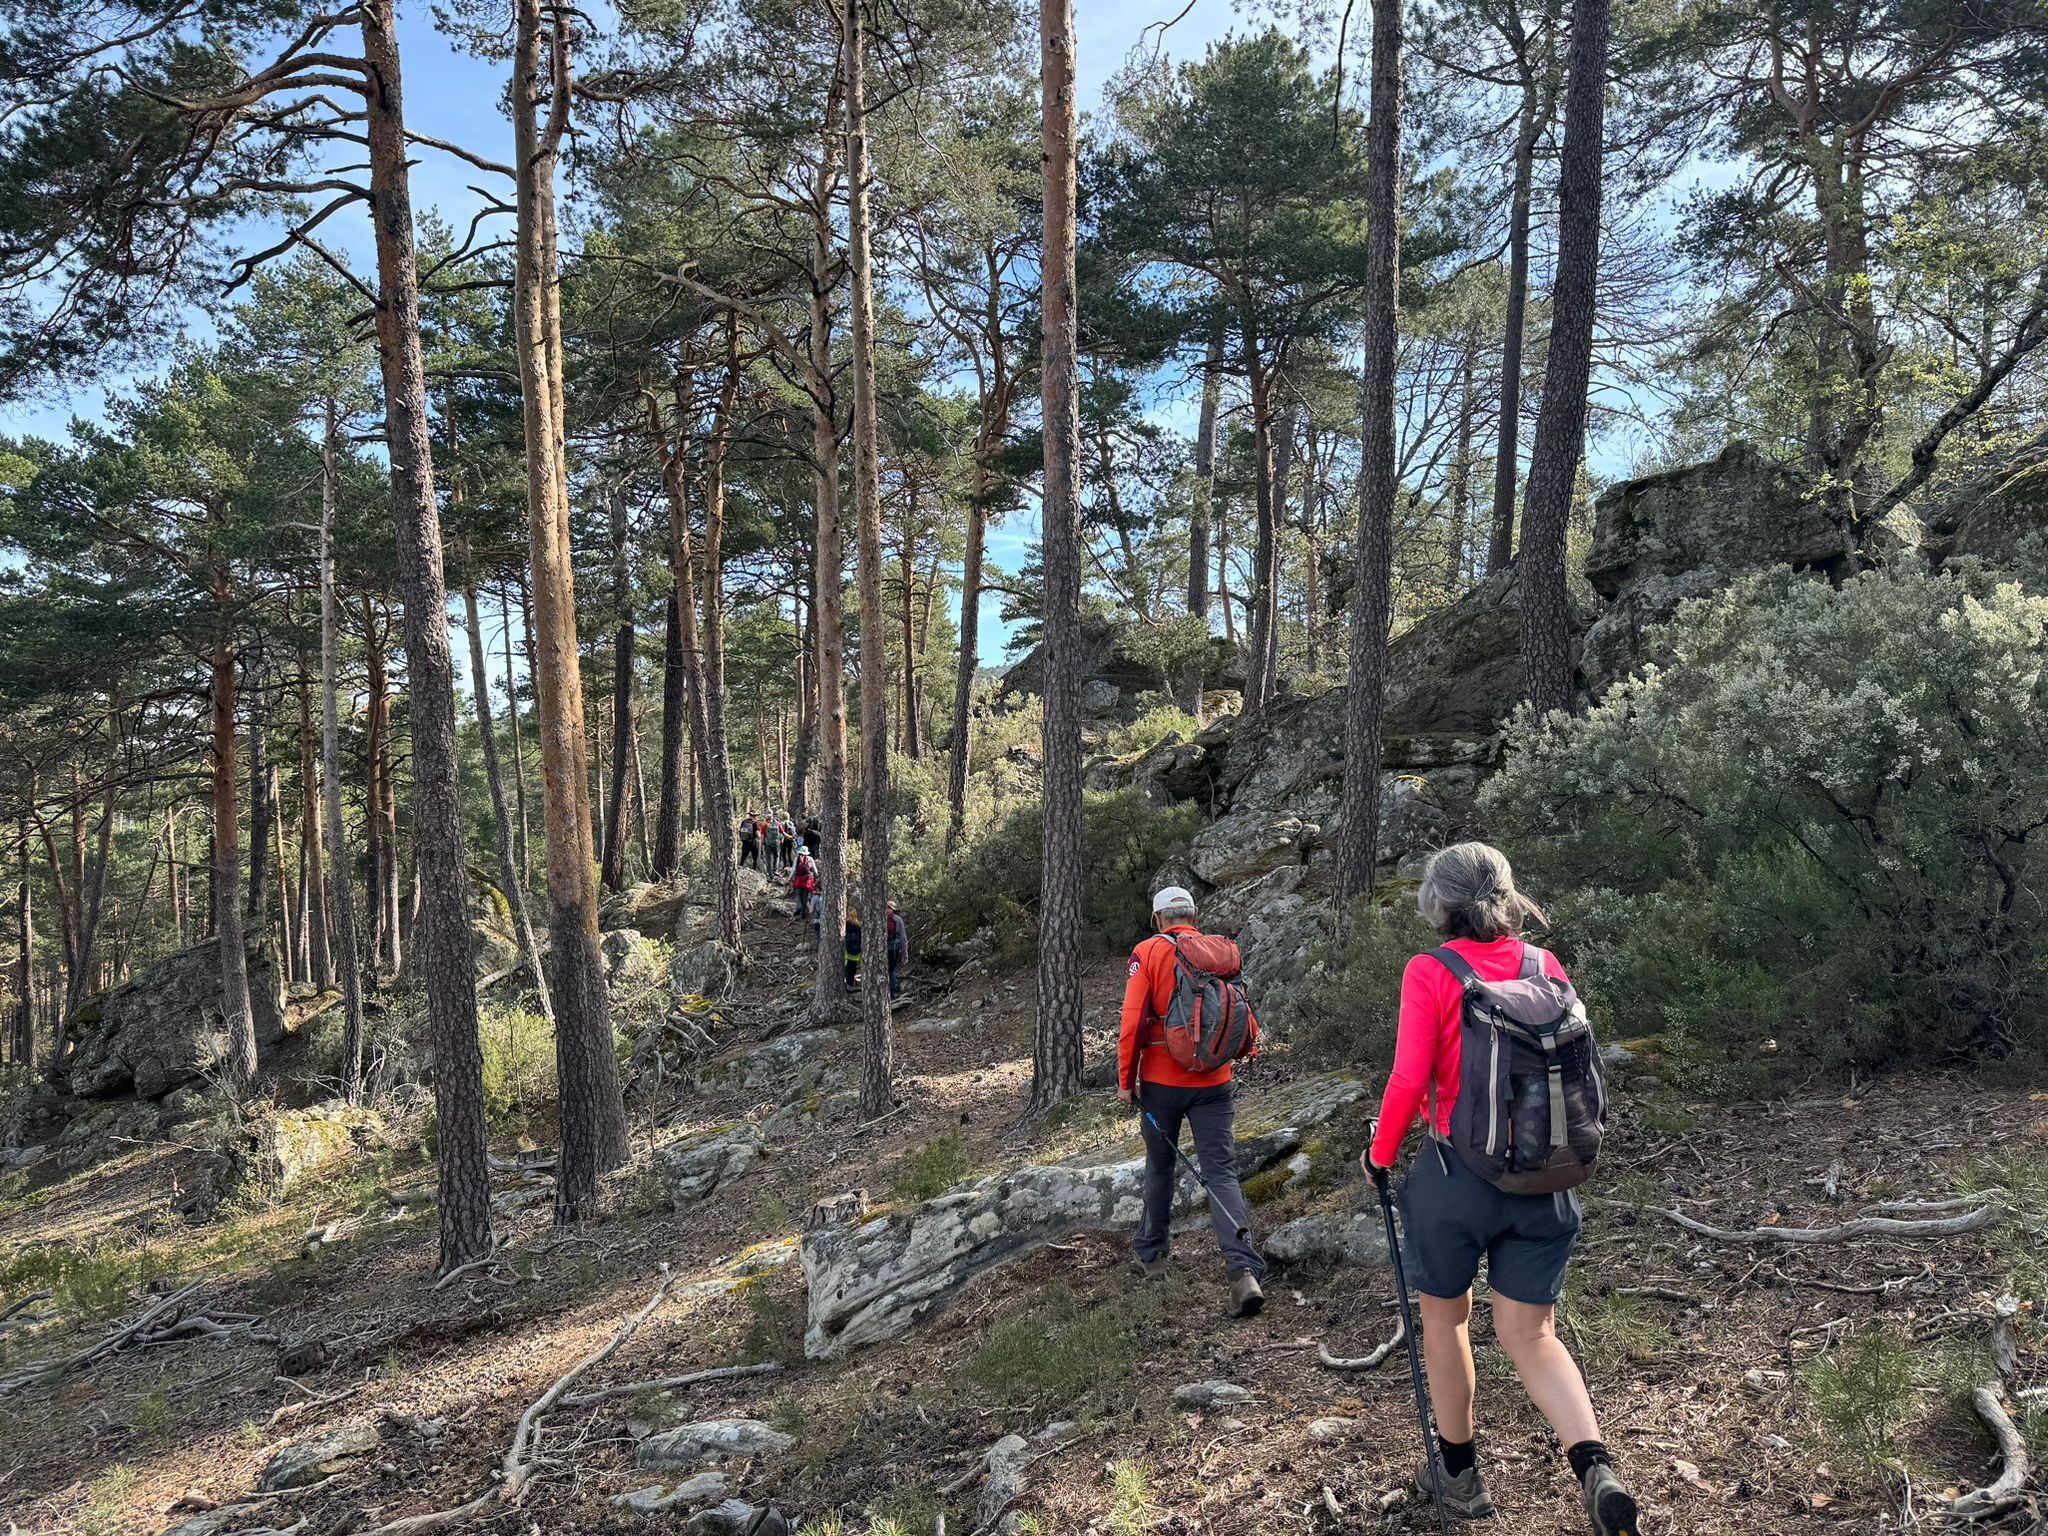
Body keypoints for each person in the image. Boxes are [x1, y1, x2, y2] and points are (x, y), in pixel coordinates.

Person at [1364, 842, 1639, 1536]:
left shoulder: (1430, 970)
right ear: (1506, 894)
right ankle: (1595, 1468)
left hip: (1458, 1177)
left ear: (1438, 902)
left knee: (1445, 1319)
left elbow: (1407, 1077)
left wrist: (1380, 1153)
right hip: (1545, 1177)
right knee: (1532, 1333)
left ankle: (1458, 1475)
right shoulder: (1543, 965)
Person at [1118, 885, 1266, 1318]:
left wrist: (1125, 1081)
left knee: (1161, 1166)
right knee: (1221, 1172)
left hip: (1162, 1082)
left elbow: (1132, 1022)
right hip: (1216, 1080)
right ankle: (1242, 1272)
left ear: (1158, 919)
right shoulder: (1216, 952)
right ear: (1193, 916)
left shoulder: (1148, 953)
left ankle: (1153, 1255)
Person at [885, 901, 908, 1001]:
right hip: (894, 947)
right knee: (892, 970)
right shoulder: (898, 919)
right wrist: (905, 954)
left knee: (883, 970)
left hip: (883, 947)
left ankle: (884, 992)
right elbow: (903, 937)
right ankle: (893, 991)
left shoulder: (879, 918)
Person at [791, 846, 818, 921]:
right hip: (807, 880)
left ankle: (799, 909)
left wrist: (788, 879)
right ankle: (804, 913)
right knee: (805, 896)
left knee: (798, 895)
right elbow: (815, 870)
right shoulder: (810, 859)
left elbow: (793, 870)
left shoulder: (797, 859)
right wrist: (816, 877)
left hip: (798, 879)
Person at [843, 908, 862, 991]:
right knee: (852, 970)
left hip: (847, 952)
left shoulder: (845, 925)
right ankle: (850, 985)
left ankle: (847, 985)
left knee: (846, 969)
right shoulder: (858, 925)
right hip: (856, 953)